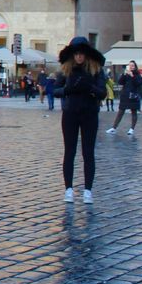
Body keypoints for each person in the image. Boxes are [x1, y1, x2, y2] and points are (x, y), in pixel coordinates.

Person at [54, 37, 107, 204]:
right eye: (76, 54)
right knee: (69, 151)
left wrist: (90, 88)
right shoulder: (65, 70)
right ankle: (68, 188)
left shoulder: (96, 70)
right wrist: (67, 90)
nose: (79, 57)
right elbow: (55, 90)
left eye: (81, 54)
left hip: (89, 113)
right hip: (70, 113)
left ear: (86, 55)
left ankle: (88, 190)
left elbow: (103, 92)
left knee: (88, 152)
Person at [109, 61, 142, 135]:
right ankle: (114, 128)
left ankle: (132, 129)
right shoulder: (126, 74)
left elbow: (138, 83)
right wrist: (124, 74)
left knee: (134, 112)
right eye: (130, 65)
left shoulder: (137, 75)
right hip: (125, 96)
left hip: (133, 96)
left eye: (133, 66)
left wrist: (132, 76)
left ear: (135, 67)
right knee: (120, 112)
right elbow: (120, 82)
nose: (131, 67)